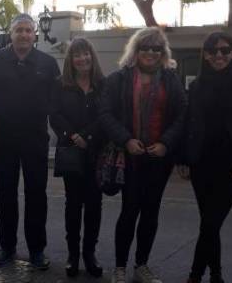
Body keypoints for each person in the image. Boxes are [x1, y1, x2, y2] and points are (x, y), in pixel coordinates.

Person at [99, 27, 186, 283]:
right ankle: (119, 268)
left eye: (156, 49)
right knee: (129, 211)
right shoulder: (118, 79)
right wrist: (126, 140)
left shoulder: (171, 80)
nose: (150, 52)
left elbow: (182, 114)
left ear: (162, 53)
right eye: (145, 48)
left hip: (158, 158)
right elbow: (105, 114)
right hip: (130, 157)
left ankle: (142, 265)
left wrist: (166, 144)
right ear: (135, 51)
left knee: (151, 213)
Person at [0, 14, 60, 270]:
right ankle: (7, 246)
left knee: (37, 195)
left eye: (29, 30)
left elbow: (56, 102)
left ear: (35, 34)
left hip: (35, 139)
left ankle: (37, 250)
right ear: (10, 32)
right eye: (19, 30)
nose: (24, 35)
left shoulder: (48, 63)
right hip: (4, 141)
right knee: (5, 195)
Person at [180, 32, 232, 283]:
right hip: (201, 164)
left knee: (210, 223)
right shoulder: (197, 86)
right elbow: (189, 125)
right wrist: (184, 159)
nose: (219, 55)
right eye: (213, 51)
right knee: (210, 223)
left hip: (231, 168)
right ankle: (216, 275)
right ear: (206, 55)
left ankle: (195, 275)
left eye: (225, 50)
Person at [49, 37, 105, 278]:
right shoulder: (60, 85)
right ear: (71, 60)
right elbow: (55, 115)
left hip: (96, 153)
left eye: (86, 54)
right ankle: (73, 255)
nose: (83, 59)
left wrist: (88, 137)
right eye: (77, 55)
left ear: (92, 56)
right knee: (73, 204)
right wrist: (73, 136)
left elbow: (107, 115)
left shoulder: (103, 84)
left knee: (94, 205)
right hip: (72, 152)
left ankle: (89, 253)